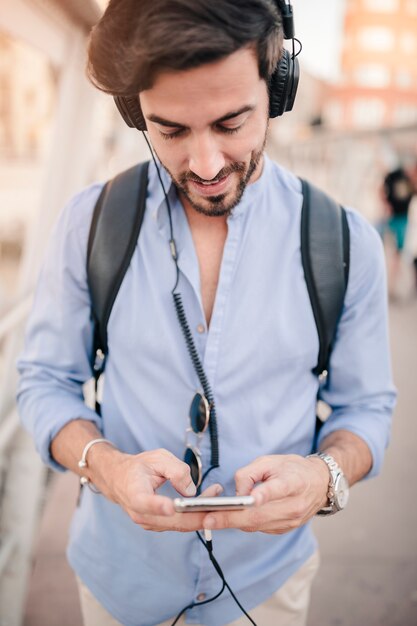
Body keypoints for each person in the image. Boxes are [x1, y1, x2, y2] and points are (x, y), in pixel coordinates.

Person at [17, 2, 396, 625]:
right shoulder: (87, 225)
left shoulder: (347, 243)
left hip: (267, 588)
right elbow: (44, 382)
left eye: (231, 123)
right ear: (135, 112)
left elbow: (368, 408)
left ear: (277, 86)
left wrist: (325, 476)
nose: (207, 165)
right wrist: (108, 470)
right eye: (170, 131)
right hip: (119, 584)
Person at [380, 165, 414, 296]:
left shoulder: (406, 179)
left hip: (401, 218)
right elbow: (382, 191)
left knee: (397, 253)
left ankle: (394, 284)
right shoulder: (395, 176)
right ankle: (390, 284)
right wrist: (386, 206)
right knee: (388, 251)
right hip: (393, 217)